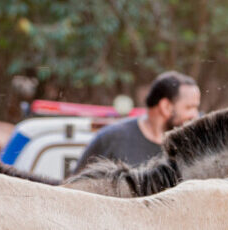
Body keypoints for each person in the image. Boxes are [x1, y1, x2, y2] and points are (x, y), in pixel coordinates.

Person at [72, 71, 201, 173]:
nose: (196, 115)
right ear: (165, 107)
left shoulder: (190, 147)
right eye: (190, 107)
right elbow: (76, 188)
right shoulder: (112, 139)